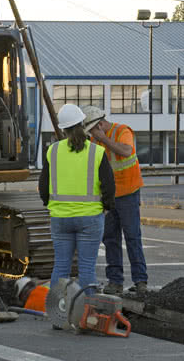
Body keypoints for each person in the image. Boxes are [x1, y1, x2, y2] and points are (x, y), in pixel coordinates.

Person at [38, 104, 115, 298]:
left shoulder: (52, 151)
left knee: (61, 266)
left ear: (63, 129)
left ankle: (58, 314)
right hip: (90, 218)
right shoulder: (97, 152)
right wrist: (106, 207)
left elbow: (43, 186)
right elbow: (109, 186)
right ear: (83, 124)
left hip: (60, 218)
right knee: (87, 268)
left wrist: (51, 206)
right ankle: (87, 315)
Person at [81, 105, 148, 295]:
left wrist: (103, 139)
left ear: (100, 125)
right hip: (108, 196)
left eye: (93, 131)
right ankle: (115, 281)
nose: (91, 135)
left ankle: (140, 281)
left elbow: (126, 151)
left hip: (128, 193)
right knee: (110, 239)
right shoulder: (94, 139)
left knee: (133, 236)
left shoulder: (122, 131)